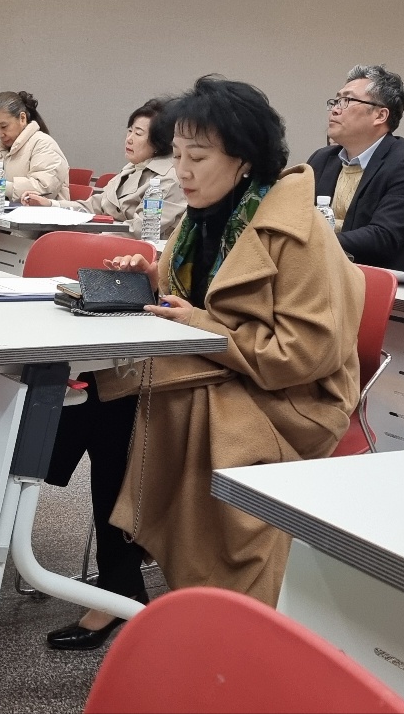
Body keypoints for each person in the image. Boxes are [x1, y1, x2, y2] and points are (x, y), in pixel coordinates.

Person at [44, 76, 361, 651]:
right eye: (178, 155)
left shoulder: (299, 232)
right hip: (223, 371)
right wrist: (154, 283)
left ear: (243, 160)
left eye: (198, 157)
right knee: (101, 397)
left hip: (286, 401)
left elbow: (305, 354)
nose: (182, 171)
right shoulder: (203, 218)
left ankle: (141, 590)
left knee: (114, 407)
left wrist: (199, 324)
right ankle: (119, 582)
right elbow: (201, 302)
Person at [305, 65, 404, 270]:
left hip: (376, 279)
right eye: (336, 101)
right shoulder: (322, 159)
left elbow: (382, 237)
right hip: (320, 273)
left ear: (380, 116)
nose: (335, 109)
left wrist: (311, 241)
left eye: (347, 101)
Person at [21, 98, 184, 239]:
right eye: (129, 131)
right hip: (106, 242)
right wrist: (51, 204)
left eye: (138, 134)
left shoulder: (169, 178)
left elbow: (140, 230)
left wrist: (92, 236)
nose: (129, 139)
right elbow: (94, 206)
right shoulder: (132, 168)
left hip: (134, 254)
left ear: (159, 141)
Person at [0, 91, 71, 202]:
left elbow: (43, 188)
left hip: (41, 213)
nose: (0, 134)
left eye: (4, 126)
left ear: (22, 118)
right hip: (4, 211)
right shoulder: (0, 149)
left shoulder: (44, 144)